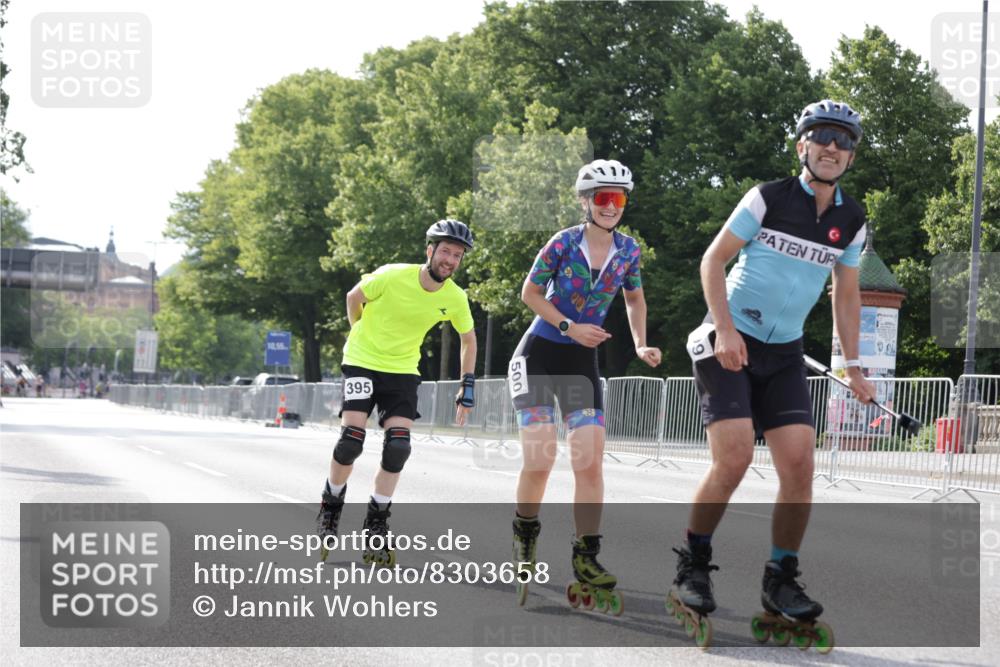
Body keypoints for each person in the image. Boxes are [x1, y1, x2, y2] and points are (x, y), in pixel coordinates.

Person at [668, 100, 877, 645]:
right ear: (802, 145)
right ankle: (692, 563)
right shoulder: (766, 197)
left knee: (800, 465)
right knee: (734, 457)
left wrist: (853, 365)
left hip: (784, 353)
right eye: (821, 136)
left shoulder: (851, 220)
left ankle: (780, 580)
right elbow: (713, 260)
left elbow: (846, 293)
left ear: (852, 155)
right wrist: (727, 330)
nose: (832, 147)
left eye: (843, 140)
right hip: (726, 340)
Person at [509, 159, 661, 611]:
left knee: (589, 461)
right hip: (539, 353)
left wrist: (640, 343)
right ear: (586, 202)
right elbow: (529, 294)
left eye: (619, 198)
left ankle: (587, 556)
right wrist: (569, 324)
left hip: (580, 363)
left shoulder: (629, 250)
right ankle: (524, 535)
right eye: (602, 198)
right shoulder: (562, 243)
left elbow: (634, 297)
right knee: (541, 456)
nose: (612, 206)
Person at [316, 219, 478, 565]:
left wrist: (467, 385)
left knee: (399, 447)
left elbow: (468, 338)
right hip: (361, 361)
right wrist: (359, 333)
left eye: (458, 255)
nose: (451, 260)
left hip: (403, 371)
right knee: (351, 440)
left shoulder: (455, 297)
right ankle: (331, 505)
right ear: (430, 250)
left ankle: (376, 523)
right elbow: (353, 297)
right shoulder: (392, 275)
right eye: (446, 251)